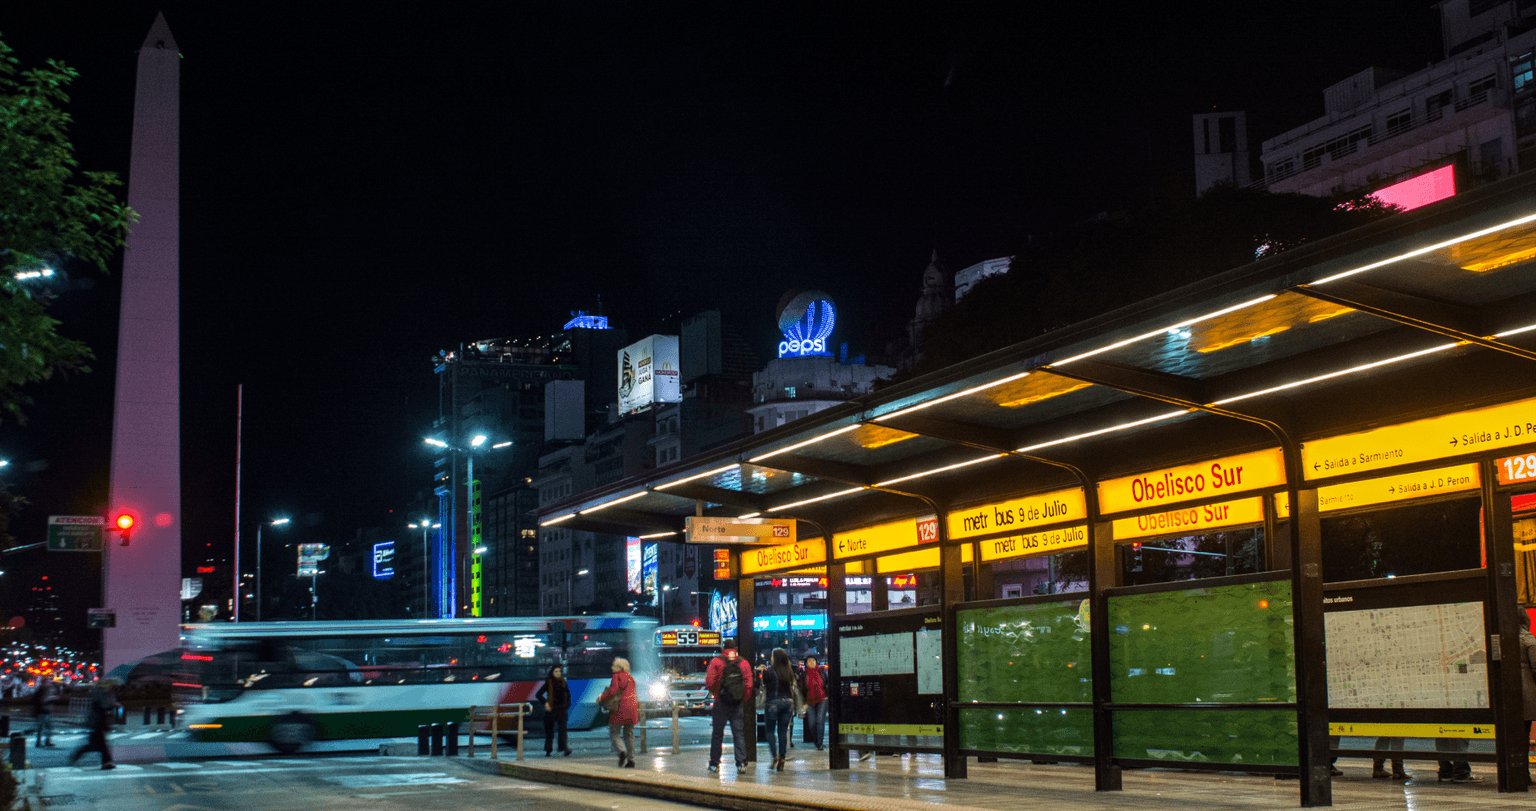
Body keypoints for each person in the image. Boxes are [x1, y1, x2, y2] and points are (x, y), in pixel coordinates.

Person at [704, 638, 753, 774]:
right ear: (735, 648)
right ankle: (741, 763)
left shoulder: (717, 662)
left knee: (717, 734)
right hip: (737, 703)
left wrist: (716, 693)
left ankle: (714, 764)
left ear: (723, 648)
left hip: (721, 703)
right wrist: (742, 698)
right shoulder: (743, 663)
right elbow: (748, 683)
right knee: (738, 734)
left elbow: (709, 682)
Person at [761, 648, 799, 772]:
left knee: (770, 731)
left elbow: (761, 685)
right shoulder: (789, 672)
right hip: (788, 703)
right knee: (782, 732)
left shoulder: (769, 672)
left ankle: (775, 756)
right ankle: (782, 757)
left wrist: (758, 672)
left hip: (773, 703)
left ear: (775, 658)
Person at [69, 678, 119, 770]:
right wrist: (113, 702)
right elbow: (104, 705)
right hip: (97, 722)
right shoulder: (99, 693)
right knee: (96, 745)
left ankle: (106, 762)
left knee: (100, 744)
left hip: (98, 722)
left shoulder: (100, 692)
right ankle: (78, 754)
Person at [598, 657, 638, 768]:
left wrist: (601, 697)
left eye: (614, 665)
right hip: (631, 709)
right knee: (629, 734)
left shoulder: (616, 677)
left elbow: (612, 692)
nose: (612, 667)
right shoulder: (631, 678)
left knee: (614, 733)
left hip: (619, 708)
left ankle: (621, 751)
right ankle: (631, 760)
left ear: (620, 667)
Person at [535, 665, 573, 757]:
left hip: (561, 709)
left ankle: (564, 748)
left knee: (563, 730)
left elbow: (568, 695)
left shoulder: (563, 682)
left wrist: (567, 705)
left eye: (559, 671)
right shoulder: (549, 682)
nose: (558, 673)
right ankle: (548, 750)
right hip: (551, 709)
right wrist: (546, 703)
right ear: (552, 672)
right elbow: (538, 694)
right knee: (549, 731)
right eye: (556, 671)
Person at [799, 656, 827, 750]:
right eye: (809, 661)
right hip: (809, 701)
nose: (812, 662)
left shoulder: (821, 672)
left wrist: (827, 694)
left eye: (813, 660)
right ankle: (816, 741)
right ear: (806, 664)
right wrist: (803, 702)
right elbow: (801, 689)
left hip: (822, 699)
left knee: (820, 721)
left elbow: (826, 684)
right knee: (811, 723)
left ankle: (820, 743)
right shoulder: (803, 674)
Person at [31, 675, 56, 748]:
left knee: (46, 727)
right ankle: (40, 742)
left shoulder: (46, 689)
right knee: (42, 727)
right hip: (41, 711)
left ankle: (44, 741)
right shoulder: (42, 690)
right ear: (45, 682)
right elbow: (38, 700)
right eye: (48, 681)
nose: (50, 682)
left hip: (45, 711)